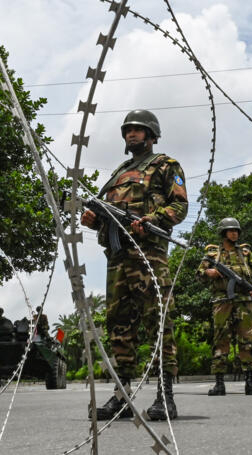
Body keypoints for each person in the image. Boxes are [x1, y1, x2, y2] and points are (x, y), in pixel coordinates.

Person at [81, 109, 188, 421]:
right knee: (119, 327)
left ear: (152, 135)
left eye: (139, 130)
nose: (132, 134)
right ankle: (122, 396)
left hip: (149, 256)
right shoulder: (118, 174)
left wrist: (152, 219)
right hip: (117, 259)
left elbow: (179, 205)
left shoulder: (166, 165)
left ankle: (164, 396)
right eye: (128, 129)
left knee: (158, 323)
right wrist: (93, 220)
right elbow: (109, 216)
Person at [198, 217, 252, 396]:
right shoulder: (212, 254)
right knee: (221, 340)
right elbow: (199, 274)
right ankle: (219, 383)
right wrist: (209, 272)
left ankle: (250, 382)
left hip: (244, 301)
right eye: (231, 230)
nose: (235, 233)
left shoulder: (245, 253)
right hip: (222, 302)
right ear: (223, 233)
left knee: (248, 340)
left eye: (236, 230)